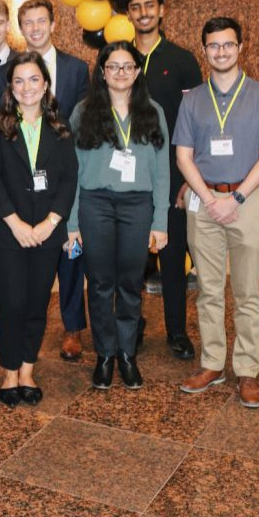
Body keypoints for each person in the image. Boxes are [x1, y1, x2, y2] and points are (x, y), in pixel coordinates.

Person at [175, 17, 259, 408]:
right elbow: (183, 157)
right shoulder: (192, 100)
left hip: (247, 200)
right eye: (213, 46)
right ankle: (212, 363)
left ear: (241, 48)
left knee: (247, 291)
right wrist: (208, 197)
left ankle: (247, 370)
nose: (221, 51)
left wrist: (234, 199)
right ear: (204, 50)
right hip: (204, 203)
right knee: (207, 289)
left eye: (228, 45)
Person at [68, 41, 169, 390]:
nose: (121, 73)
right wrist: (71, 223)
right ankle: (104, 354)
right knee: (99, 283)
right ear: (102, 72)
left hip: (137, 206)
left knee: (129, 283)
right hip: (94, 203)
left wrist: (160, 223)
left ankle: (127, 354)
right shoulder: (84, 111)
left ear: (137, 71)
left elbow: (162, 173)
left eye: (128, 66)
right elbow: (73, 171)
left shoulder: (152, 111)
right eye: (113, 66)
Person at [0, 52, 78, 407]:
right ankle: (8, 371)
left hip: (47, 231)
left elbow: (68, 179)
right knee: (11, 302)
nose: (27, 87)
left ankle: (26, 369)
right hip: (7, 231)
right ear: (10, 87)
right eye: (18, 81)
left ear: (46, 84)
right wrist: (16, 223)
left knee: (37, 302)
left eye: (34, 79)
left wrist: (52, 222)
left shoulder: (60, 126)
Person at [125, 0, 202, 360]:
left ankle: (176, 331)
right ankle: (132, 327)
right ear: (128, 14)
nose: (143, 12)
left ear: (162, 10)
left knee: (173, 258)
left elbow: (197, 123)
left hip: (172, 175)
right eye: (136, 7)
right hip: (129, 178)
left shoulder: (183, 61)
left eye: (149, 5)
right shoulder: (119, 59)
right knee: (133, 260)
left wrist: (190, 179)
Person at [18, 0, 90, 362]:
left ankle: (73, 328)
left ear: (53, 24)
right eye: (27, 22)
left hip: (63, 173)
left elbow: (83, 123)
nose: (35, 28)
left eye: (40, 21)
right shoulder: (12, 71)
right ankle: (25, 325)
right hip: (24, 179)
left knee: (69, 251)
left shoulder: (77, 69)